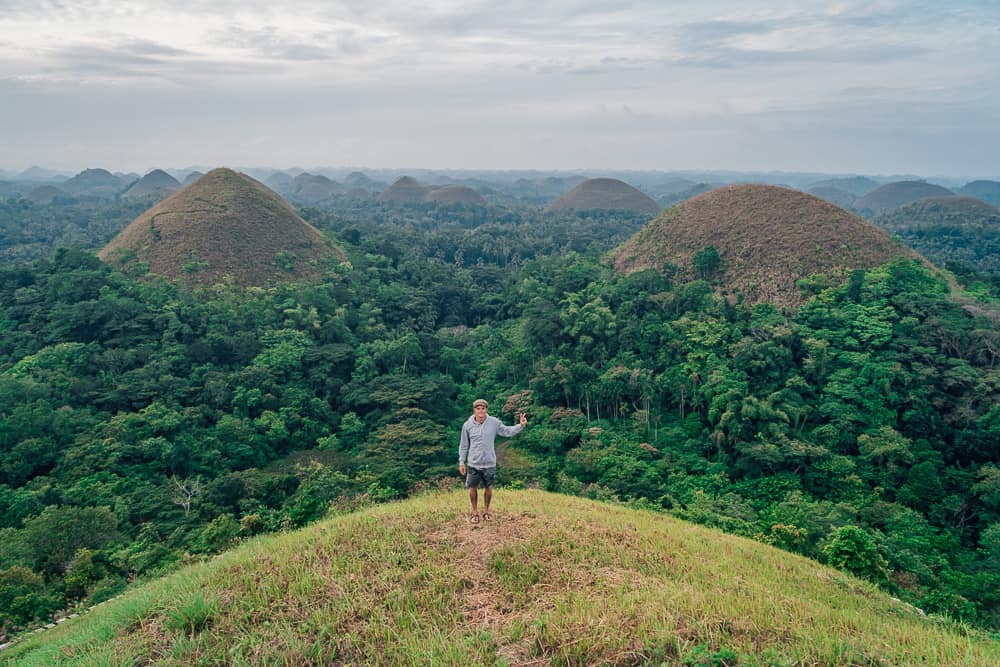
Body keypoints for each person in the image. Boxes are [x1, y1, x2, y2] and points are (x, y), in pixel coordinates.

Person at [458, 398, 527, 523]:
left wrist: (520, 426)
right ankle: (474, 513)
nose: (480, 411)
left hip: (489, 462)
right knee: (472, 487)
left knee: (488, 487)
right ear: (474, 410)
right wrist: (462, 461)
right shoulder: (467, 426)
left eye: (483, 408)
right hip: (473, 462)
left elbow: (506, 431)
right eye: (478, 408)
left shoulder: (494, 422)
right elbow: (464, 445)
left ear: (486, 409)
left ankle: (486, 511)